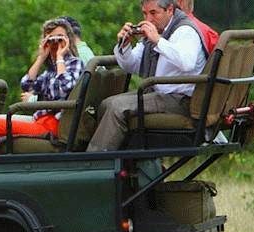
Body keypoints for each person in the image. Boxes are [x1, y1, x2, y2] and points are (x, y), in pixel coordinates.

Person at [86, 0, 207, 152]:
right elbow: (132, 65)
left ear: (170, 10)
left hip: (181, 100)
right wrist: (124, 45)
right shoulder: (155, 33)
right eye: (145, 13)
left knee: (117, 107)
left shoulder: (185, 30)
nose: (148, 19)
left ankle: (96, 162)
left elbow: (187, 63)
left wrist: (158, 41)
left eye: (153, 13)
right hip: (158, 94)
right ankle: (123, 162)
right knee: (106, 104)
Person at [0, 18, 85, 155]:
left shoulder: (75, 63)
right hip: (41, 121)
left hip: (53, 125)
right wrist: (41, 58)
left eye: (60, 38)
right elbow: (26, 85)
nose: (55, 43)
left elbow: (61, 91)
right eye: (50, 39)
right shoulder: (50, 70)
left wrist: (60, 57)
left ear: (68, 40)